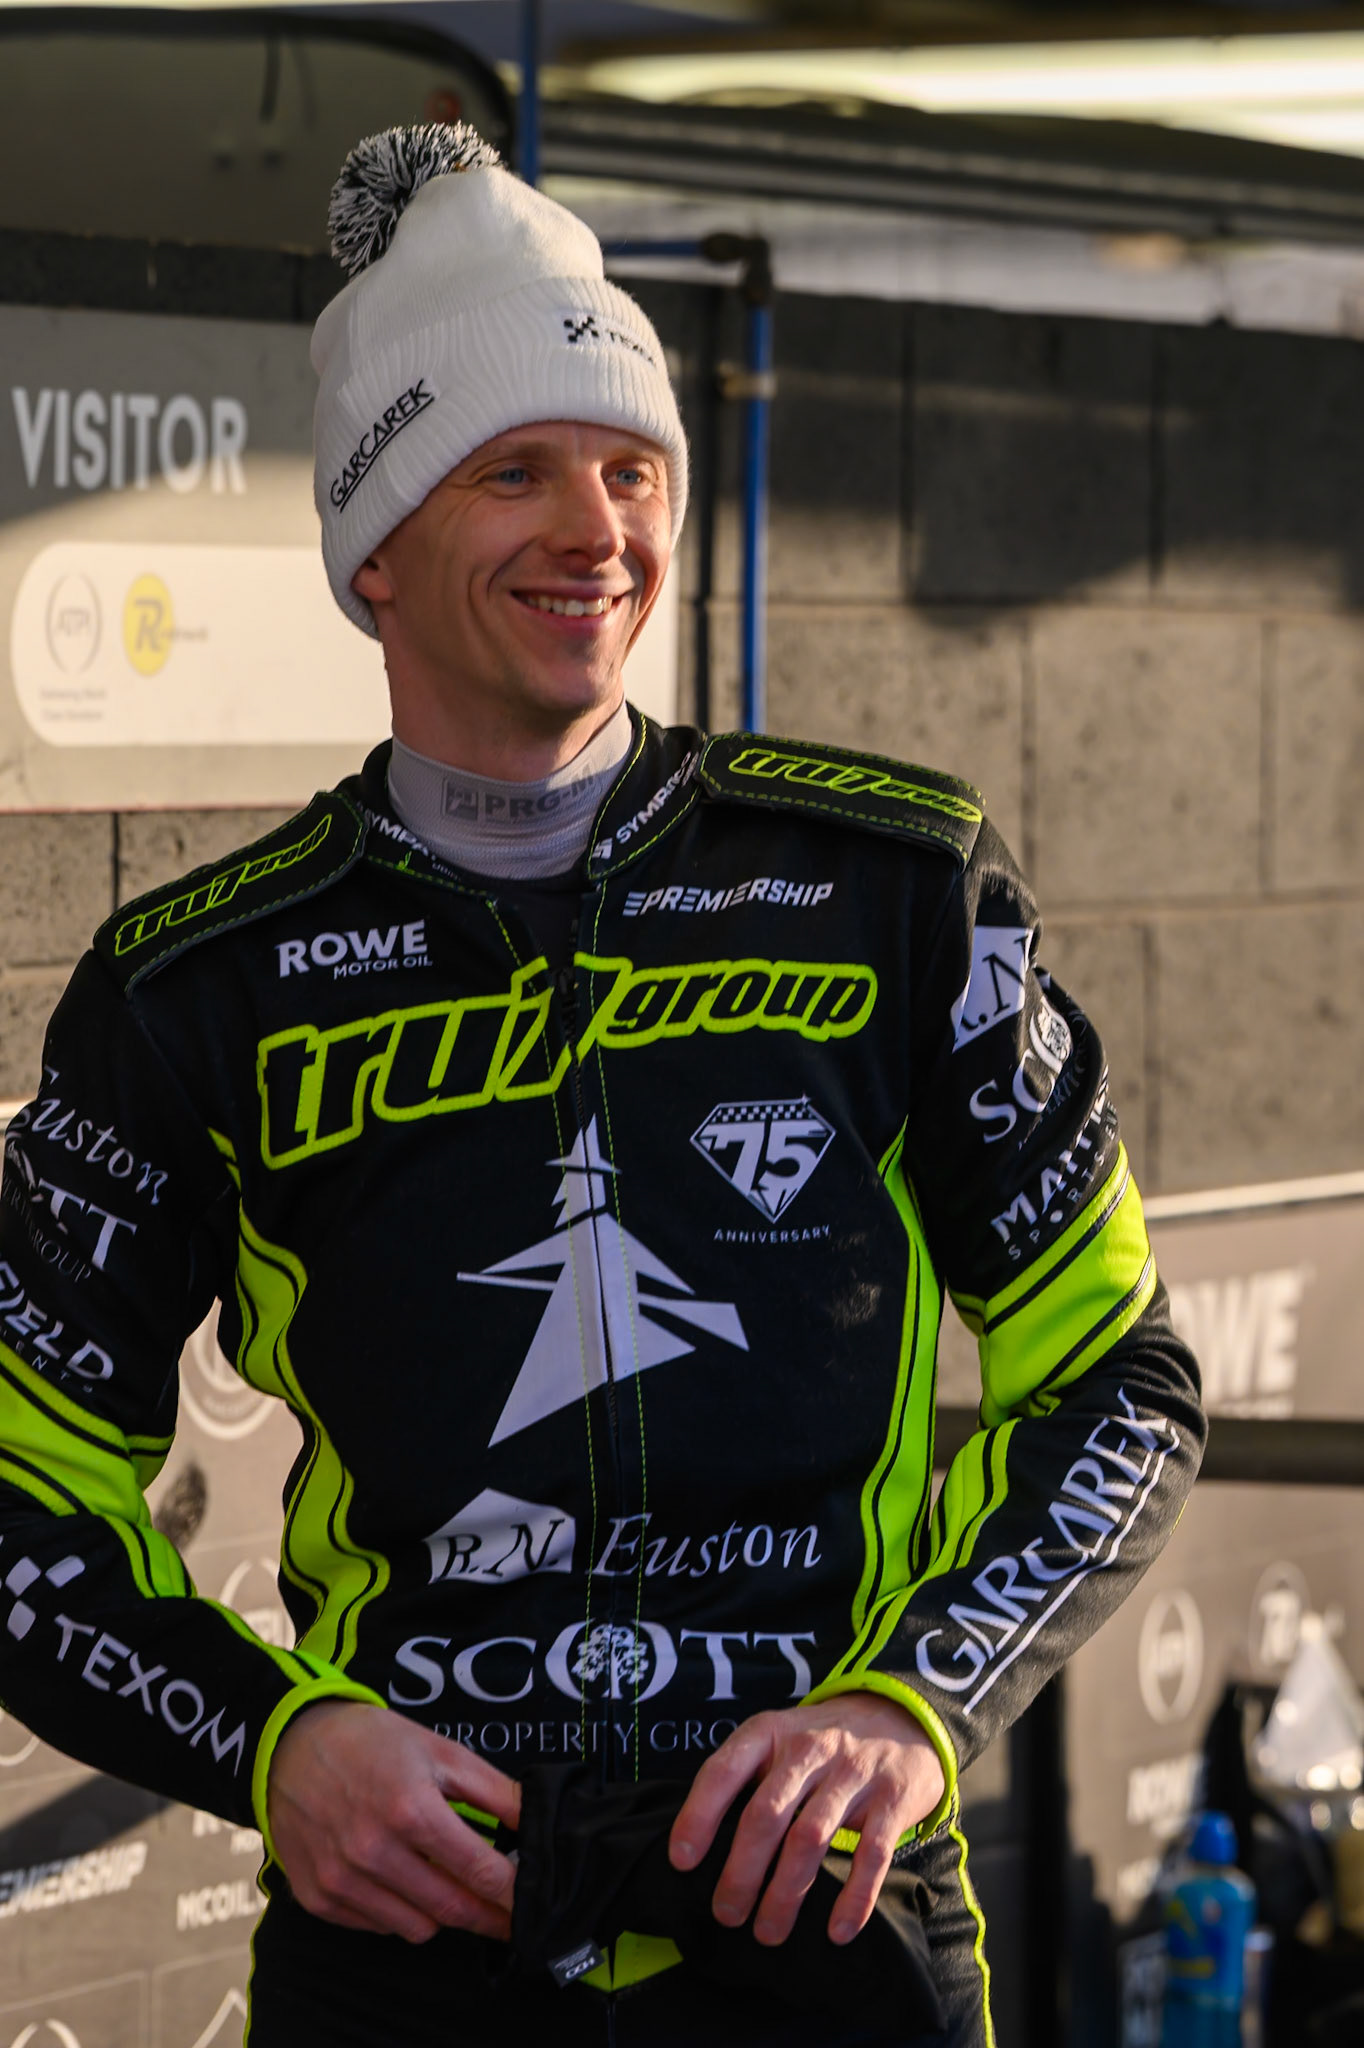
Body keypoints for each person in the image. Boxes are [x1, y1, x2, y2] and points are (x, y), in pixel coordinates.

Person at [0, 124, 1204, 2046]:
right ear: (371, 550)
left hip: (828, 1935)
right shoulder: (191, 991)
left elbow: (1119, 1377)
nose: (600, 530)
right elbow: (17, 1488)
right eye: (515, 471)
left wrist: (914, 1703)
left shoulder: (897, 888)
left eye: (633, 468)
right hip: (411, 1940)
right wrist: (276, 1747)